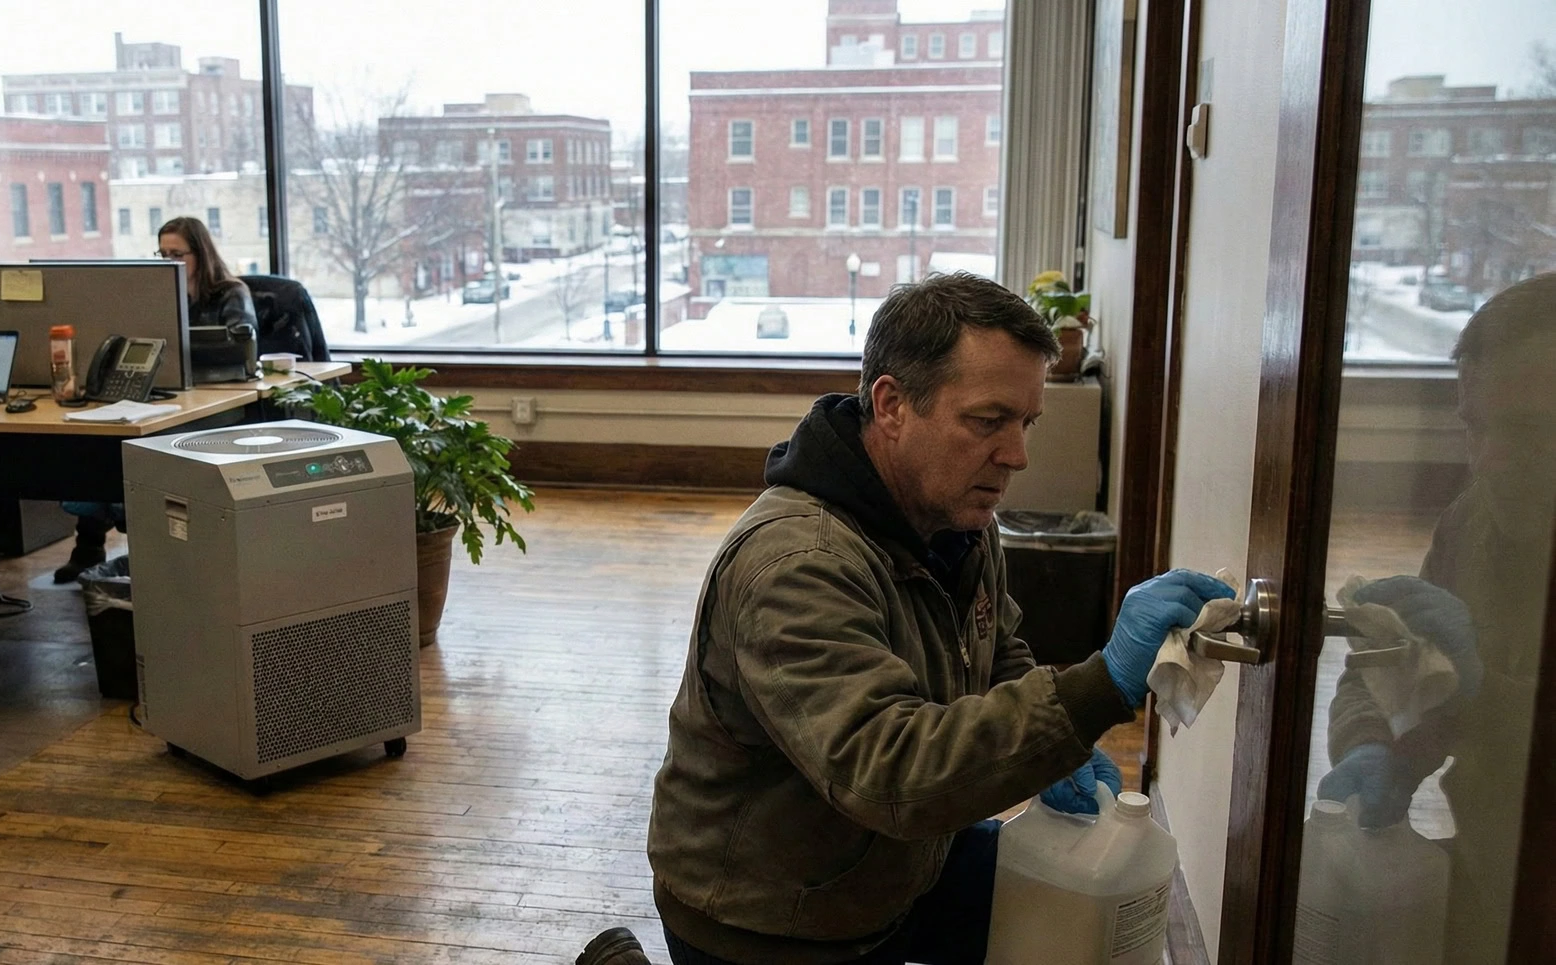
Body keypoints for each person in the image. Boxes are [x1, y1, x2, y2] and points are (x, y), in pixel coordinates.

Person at [581, 273, 1234, 965]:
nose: (1017, 454)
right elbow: (889, 772)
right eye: (988, 421)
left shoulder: (957, 516)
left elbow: (992, 646)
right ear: (892, 404)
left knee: (1070, 914)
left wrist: (1053, 744)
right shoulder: (795, 564)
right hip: (771, 915)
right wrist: (1092, 690)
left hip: (897, 860)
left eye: (1026, 421)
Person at [1316, 271, 1554, 964]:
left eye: (1532, 432)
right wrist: (1377, 741)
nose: (1493, 461)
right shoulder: (1473, 519)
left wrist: (1485, 698)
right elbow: (1399, 660)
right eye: (1477, 427)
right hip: (1490, 874)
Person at [50, 215, 262, 583]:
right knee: (99, 443)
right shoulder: (155, 297)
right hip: (165, 398)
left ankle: (155, 552)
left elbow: (238, 349)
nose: (168, 263)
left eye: (176, 254)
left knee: (152, 448)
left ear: (200, 254)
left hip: (221, 402)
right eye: (161, 254)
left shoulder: (230, 293)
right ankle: (89, 546)